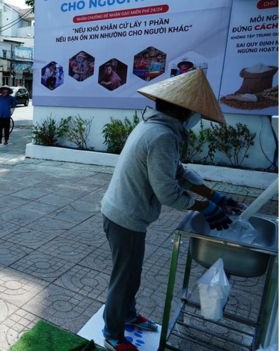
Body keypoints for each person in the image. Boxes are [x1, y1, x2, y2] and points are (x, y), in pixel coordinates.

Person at [100, 69, 244, 351]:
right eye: (194, 111)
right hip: (125, 218)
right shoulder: (161, 136)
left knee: (132, 274)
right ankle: (113, 334)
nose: (196, 118)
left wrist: (214, 196)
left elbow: (178, 172)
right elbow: (167, 192)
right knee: (124, 277)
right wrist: (206, 208)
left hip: (123, 213)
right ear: (183, 110)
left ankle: (127, 315)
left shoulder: (156, 127)